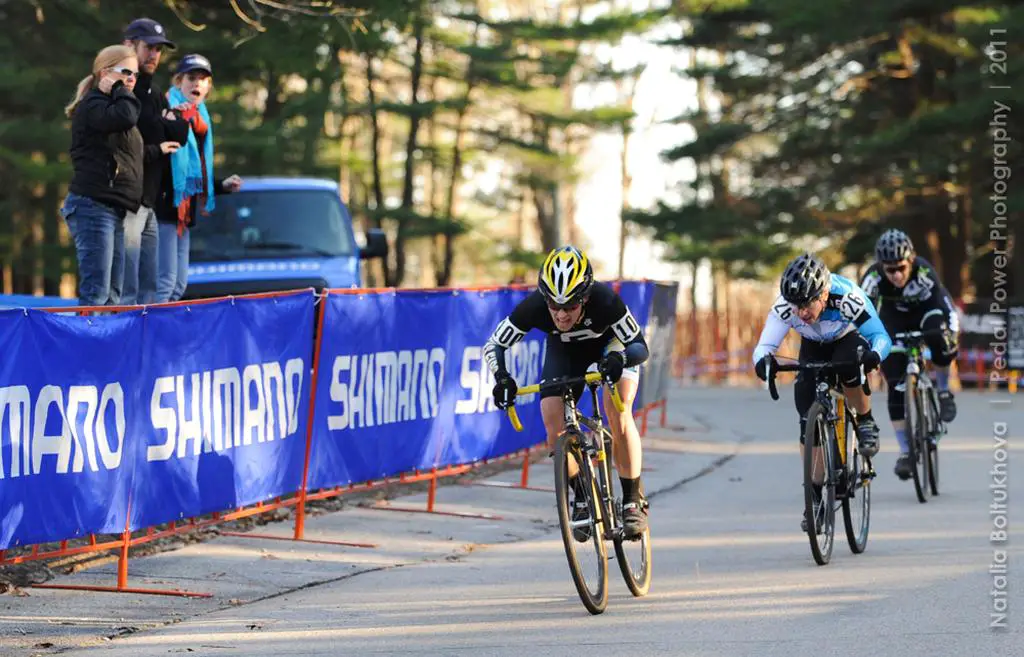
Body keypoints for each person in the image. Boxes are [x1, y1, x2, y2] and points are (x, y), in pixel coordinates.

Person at [483, 246, 651, 539]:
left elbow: (639, 346)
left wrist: (620, 360)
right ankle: (583, 496)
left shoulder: (605, 300)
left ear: (585, 298)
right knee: (552, 423)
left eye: (570, 306)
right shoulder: (534, 307)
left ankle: (632, 500)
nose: (561, 315)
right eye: (554, 306)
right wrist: (502, 377)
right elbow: (494, 345)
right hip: (565, 352)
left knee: (618, 410)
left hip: (611, 348)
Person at [752, 253, 892, 531]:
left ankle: (865, 420)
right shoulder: (785, 306)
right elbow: (764, 346)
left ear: (824, 293)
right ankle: (815, 499)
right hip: (813, 344)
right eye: (796, 305)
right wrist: (764, 364)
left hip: (846, 338)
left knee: (852, 365)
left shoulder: (848, 297)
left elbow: (881, 337)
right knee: (806, 417)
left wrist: (874, 356)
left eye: (808, 304)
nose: (802, 312)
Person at [859, 229, 960, 480]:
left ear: (911, 260)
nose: (895, 275)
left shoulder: (924, 272)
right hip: (893, 318)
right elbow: (860, 314)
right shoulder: (872, 278)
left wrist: (952, 335)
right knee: (894, 381)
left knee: (938, 335)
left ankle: (944, 390)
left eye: (900, 268)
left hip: (926, 312)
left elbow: (945, 306)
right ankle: (905, 452)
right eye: (889, 269)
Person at [155, 53, 243, 302]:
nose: (197, 84)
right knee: (164, 284)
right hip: (163, 207)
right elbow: (159, 161)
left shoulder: (201, 119)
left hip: (185, 210)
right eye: (191, 78)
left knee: (178, 286)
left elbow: (194, 171)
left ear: (209, 86)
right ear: (178, 81)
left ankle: (163, 337)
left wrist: (220, 186)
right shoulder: (166, 112)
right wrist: (175, 119)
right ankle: (150, 338)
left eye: (203, 80)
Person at [61, 44, 144, 307]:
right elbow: (126, 116)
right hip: (93, 206)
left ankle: (107, 348)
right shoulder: (95, 105)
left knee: (113, 296)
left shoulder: (111, 108)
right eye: (126, 73)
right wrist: (117, 89)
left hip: (113, 207)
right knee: (96, 293)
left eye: (135, 75)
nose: (131, 80)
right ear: (106, 73)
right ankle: (85, 348)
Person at [120, 18, 187, 305]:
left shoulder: (155, 92)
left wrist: (168, 124)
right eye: (148, 47)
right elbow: (126, 146)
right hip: (125, 200)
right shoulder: (121, 89)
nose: (154, 55)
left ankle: (145, 349)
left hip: (149, 201)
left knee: (150, 290)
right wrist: (159, 142)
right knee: (126, 289)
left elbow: (180, 134)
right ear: (129, 45)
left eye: (159, 49)